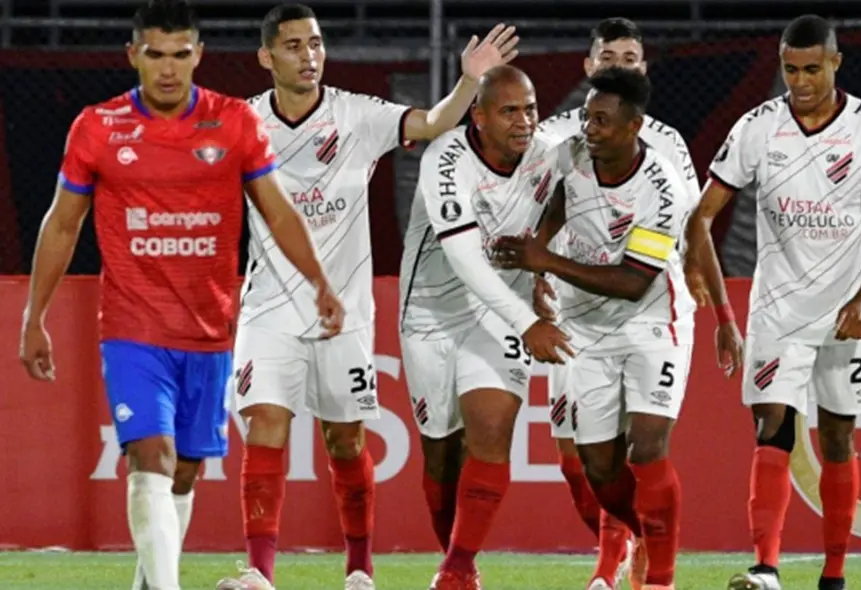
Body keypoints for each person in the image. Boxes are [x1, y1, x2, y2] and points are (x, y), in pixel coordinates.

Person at [17, 2, 342, 590]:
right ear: (133, 56)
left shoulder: (235, 123)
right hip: (132, 329)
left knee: (184, 474)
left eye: (180, 54)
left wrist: (318, 281)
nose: (168, 69)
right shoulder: (98, 126)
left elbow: (276, 209)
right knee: (152, 461)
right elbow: (62, 223)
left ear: (199, 55)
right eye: (155, 55)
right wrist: (33, 315)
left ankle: (148, 582)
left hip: (210, 330)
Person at [210, 5, 520, 590]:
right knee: (264, 426)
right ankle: (259, 571)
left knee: (345, 438)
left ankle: (359, 568)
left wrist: (470, 80)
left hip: (345, 311)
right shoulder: (244, 123)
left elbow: (431, 124)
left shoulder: (355, 114)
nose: (309, 55)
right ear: (266, 56)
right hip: (270, 305)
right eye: (295, 45)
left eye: (317, 44)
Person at [684, 15, 861, 590]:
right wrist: (721, 311)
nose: (799, 81)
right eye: (789, 69)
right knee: (772, 426)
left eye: (811, 68)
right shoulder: (758, 127)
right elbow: (702, 217)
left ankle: (833, 575)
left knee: (836, 435)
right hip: (778, 308)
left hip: (846, 312)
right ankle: (767, 568)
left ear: (835, 62)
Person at [494, 66, 700, 590]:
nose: (590, 128)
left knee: (647, 448)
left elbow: (633, 282)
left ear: (635, 126)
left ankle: (662, 581)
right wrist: (538, 266)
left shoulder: (663, 188)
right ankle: (644, 536)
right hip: (584, 327)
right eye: (587, 117)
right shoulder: (575, 161)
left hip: (652, 320)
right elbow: (554, 208)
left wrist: (547, 260)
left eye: (603, 121)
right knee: (600, 471)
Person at [399, 64, 574, 590]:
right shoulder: (445, 159)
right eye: (509, 111)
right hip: (429, 314)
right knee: (440, 454)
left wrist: (543, 258)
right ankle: (457, 560)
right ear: (478, 117)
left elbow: (596, 172)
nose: (525, 122)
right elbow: (465, 258)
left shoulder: (551, 148)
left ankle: (455, 571)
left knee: (492, 431)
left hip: (500, 312)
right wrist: (529, 323)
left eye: (531, 108)